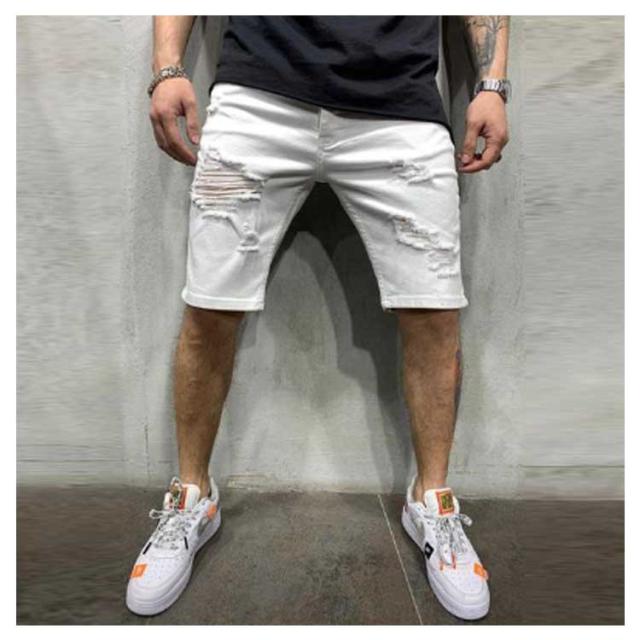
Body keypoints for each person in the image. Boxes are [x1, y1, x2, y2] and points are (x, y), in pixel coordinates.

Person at [126, 15, 510, 621]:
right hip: (257, 98)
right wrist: (167, 67)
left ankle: (431, 500)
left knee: (435, 313)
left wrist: (492, 84)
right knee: (209, 306)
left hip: (401, 106)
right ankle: (192, 497)